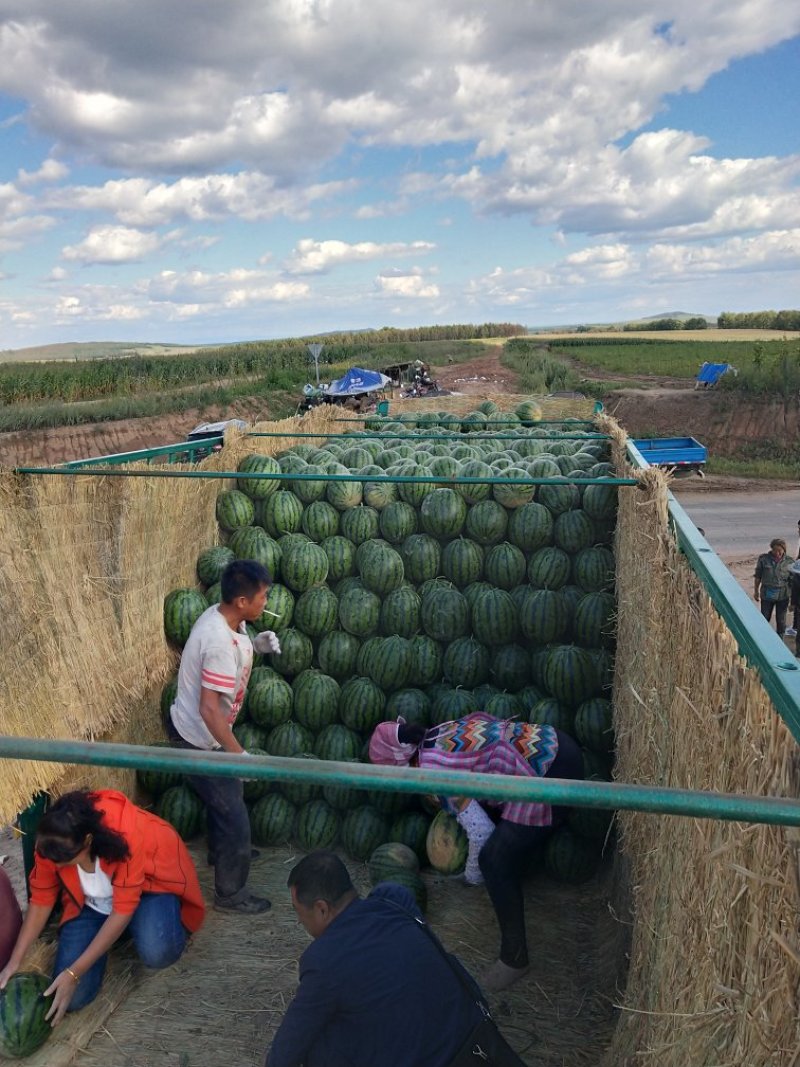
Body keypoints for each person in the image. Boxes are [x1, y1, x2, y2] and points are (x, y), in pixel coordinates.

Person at [369, 711, 584, 992]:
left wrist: (471, 877)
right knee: (503, 843)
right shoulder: (437, 733)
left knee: (493, 861)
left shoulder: (433, 774)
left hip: (549, 773)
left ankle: (514, 960)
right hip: (556, 744)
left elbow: (481, 832)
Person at [0, 789, 205, 1026]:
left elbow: (122, 909)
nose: (56, 865)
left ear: (87, 841)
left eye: (65, 860)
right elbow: (41, 900)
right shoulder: (51, 842)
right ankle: (120, 933)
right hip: (92, 903)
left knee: (158, 952)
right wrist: (15, 961)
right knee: (73, 999)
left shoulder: (127, 835)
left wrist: (74, 972)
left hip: (148, 889)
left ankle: (152, 921)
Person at [264, 851, 488, 1067]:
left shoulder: (324, 960)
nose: (299, 921)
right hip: (474, 1043)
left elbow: (287, 1049)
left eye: (298, 912)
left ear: (322, 909)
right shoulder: (395, 901)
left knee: (318, 1043)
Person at [167, 559, 279, 914]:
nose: (267, 602)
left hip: (207, 733)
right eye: (263, 597)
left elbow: (232, 649)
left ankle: (221, 851)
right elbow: (209, 710)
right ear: (242, 602)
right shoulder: (216, 640)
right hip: (198, 739)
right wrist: (237, 755)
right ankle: (230, 893)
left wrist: (254, 648)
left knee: (228, 796)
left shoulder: (226, 618)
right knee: (235, 817)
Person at [753, 538, 794, 636]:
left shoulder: (789, 562)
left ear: (784, 550)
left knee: (781, 621)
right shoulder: (763, 559)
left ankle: (780, 641)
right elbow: (758, 576)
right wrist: (756, 591)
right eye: (775, 550)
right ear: (771, 549)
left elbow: (792, 582)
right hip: (767, 595)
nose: (777, 553)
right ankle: (763, 639)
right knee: (764, 619)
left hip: (783, 596)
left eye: (780, 550)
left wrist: (793, 601)